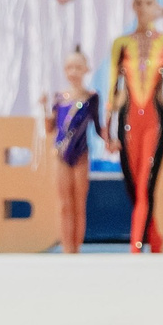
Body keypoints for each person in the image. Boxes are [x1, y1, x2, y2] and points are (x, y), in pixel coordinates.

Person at [107, 0, 163, 254]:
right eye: (138, 2)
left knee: (145, 184)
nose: (143, 8)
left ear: (157, 7)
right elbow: (112, 87)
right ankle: (155, 239)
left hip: (156, 119)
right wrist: (107, 129)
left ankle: (135, 247)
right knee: (134, 185)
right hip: (127, 120)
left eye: (148, 3)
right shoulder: (121, 43)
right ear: (132, 6)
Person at [42, 47, 99, 256]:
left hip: (81, 155)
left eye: (78, 67)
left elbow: (99, 127)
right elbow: (50, 129)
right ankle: (67, 250)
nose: (73, 72)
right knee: (65, 204)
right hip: (61, 155)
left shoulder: (91, 97)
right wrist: (44, 108)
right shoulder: (59, 98)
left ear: (86, 70)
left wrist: (111, 139)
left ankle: (76, 249)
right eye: (69, 68)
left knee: (78, 204)